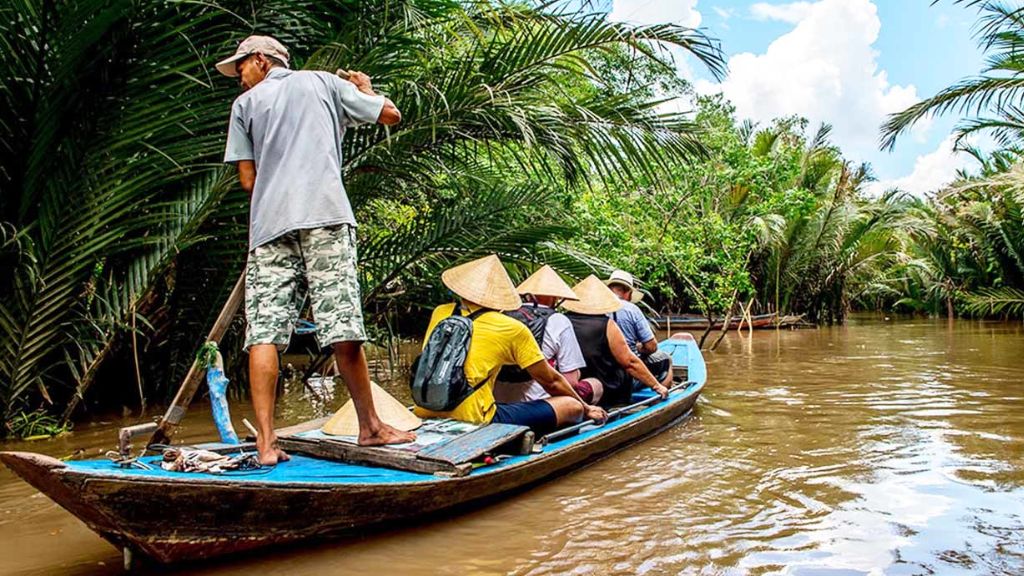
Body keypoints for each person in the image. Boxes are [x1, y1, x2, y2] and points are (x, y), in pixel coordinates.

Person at [217, 35, 413, 465]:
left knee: (263, 331)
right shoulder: (323, 83)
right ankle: (371, 428)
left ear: (262, 61)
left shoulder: (244, 108)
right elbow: (389, 114)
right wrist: (363, 88)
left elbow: (248, 182)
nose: (239, 78)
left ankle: (267, 444)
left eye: (241, 68)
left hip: (268, 226)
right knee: (341, 321)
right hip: (324, 214)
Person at [413, 255, 607, 435]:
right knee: (571, 405)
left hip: (425, 407)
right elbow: (552, 381)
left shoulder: (441, 313)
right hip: (476, 418)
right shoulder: (510, 327)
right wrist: (587, 407)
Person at [493, 265, 603, 405]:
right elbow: (571, 382)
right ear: (554, 297)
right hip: (538, 403)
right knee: (595, 384)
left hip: (497, 401)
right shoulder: (558, 320)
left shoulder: (502, 315)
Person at [564, 276, 669, 408]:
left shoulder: (562, 320)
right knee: (665, 359)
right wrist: (656, 386)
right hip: (609, 388)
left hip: (577, 382)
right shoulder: (606, 324)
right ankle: (661, 402)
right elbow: (630, 362)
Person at [605, 270, 672, 388]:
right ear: (628, 293)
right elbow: (652, 346)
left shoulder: (595, 307)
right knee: (667, 359)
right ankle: (662, 397)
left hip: (601, 369)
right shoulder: (631, 309)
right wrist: (639, 348)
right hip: (626, 373)